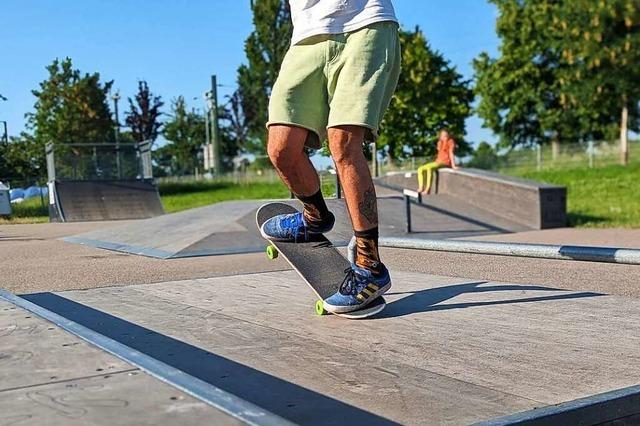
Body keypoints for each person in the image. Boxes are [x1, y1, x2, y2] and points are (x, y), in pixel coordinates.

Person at [260, 0, 401, 314]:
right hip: (307, 37)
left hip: (365, 23)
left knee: (344, 145)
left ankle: (369, 265)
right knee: (281, 149)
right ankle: (315, 217)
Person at [417, 129, 458, 195]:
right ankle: (421, 187)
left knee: (429, 168)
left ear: (448, 136)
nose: (444, 137)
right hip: (437, 161)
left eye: (446, 136)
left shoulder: (450, 142)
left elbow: (451, 153)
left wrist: (453, 165)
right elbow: (439, 151)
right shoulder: (440, 142)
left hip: (445, 162)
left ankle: (428, 189)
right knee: (420, 169)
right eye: (443, 136)